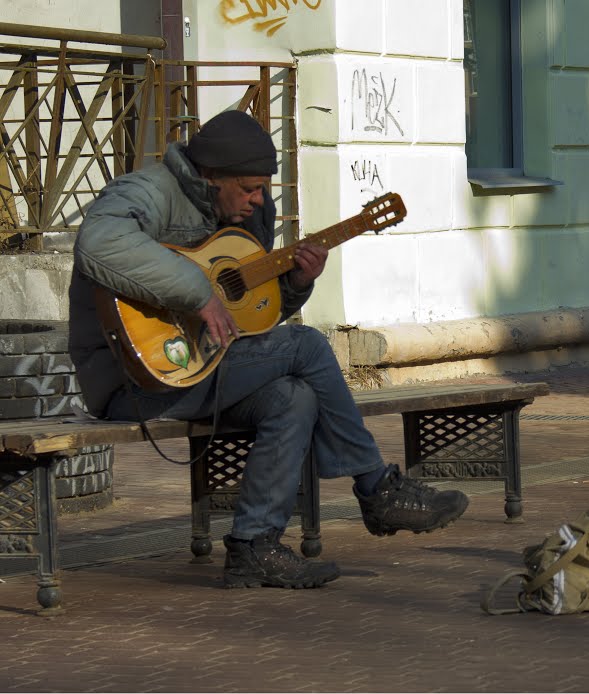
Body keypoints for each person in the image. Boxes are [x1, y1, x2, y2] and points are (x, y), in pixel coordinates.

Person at [68, 109, 469, 589]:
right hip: (134, 380)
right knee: (308, 344)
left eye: (263, 188)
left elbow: (250, 319)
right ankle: (376, 487)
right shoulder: (148, 192)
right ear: (212, 176)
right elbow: (98, 241)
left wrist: (297, 284)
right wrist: (197, 292)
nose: (260, 198)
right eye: (251, 188)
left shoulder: (246, 212)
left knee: (294, 395)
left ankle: (254, 547)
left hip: (201, 370)